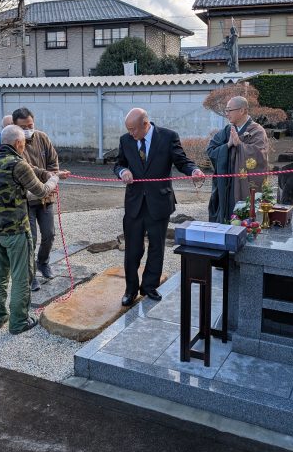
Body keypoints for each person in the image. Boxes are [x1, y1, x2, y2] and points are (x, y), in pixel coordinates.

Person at [114, 108, 205, 307]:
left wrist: (194, 171)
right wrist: (123, 171)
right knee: (132, 250)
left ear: (145, 124)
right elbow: (118, 163)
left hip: (159, 202)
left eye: (133, 129)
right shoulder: (126, 140)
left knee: (156, 247)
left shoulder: (168, 137)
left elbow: (181, 161)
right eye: (128, 129)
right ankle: (130, 290)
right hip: (135, 203)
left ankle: (149, 286)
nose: (130, 133)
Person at [0, 125, 61, 334]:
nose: (24, 147)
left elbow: (9, 190)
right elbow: (41, 191)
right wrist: (54, 179)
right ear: (18, 143)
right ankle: (19, 322)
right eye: (23, 144)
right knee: (22, 276)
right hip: (16, 230)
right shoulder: (18, 164)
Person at [11, 107, 68, 291]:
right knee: (30, 238)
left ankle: (43, 262)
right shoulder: (14, 144)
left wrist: (52, 175)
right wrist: (48, 176)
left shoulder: (42, 138)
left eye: (30, 125)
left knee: (49, 234)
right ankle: (31, 274)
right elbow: (26, 169)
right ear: (15, 126)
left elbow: (53, 162)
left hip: (46, 197)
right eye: (23, 127)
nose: (28, 129)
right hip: (27, 199)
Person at [207, 96, 269, 224]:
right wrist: (228, 145)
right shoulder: (227, 131)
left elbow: (260, 155)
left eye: (229, 110)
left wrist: (240, 145)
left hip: (244, 184)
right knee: (226, 216)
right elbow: (211, 150)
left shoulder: (257, 131)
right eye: (226, 110)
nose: (226, 113)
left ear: (242, 111)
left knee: (245, 219)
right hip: (227, 183)